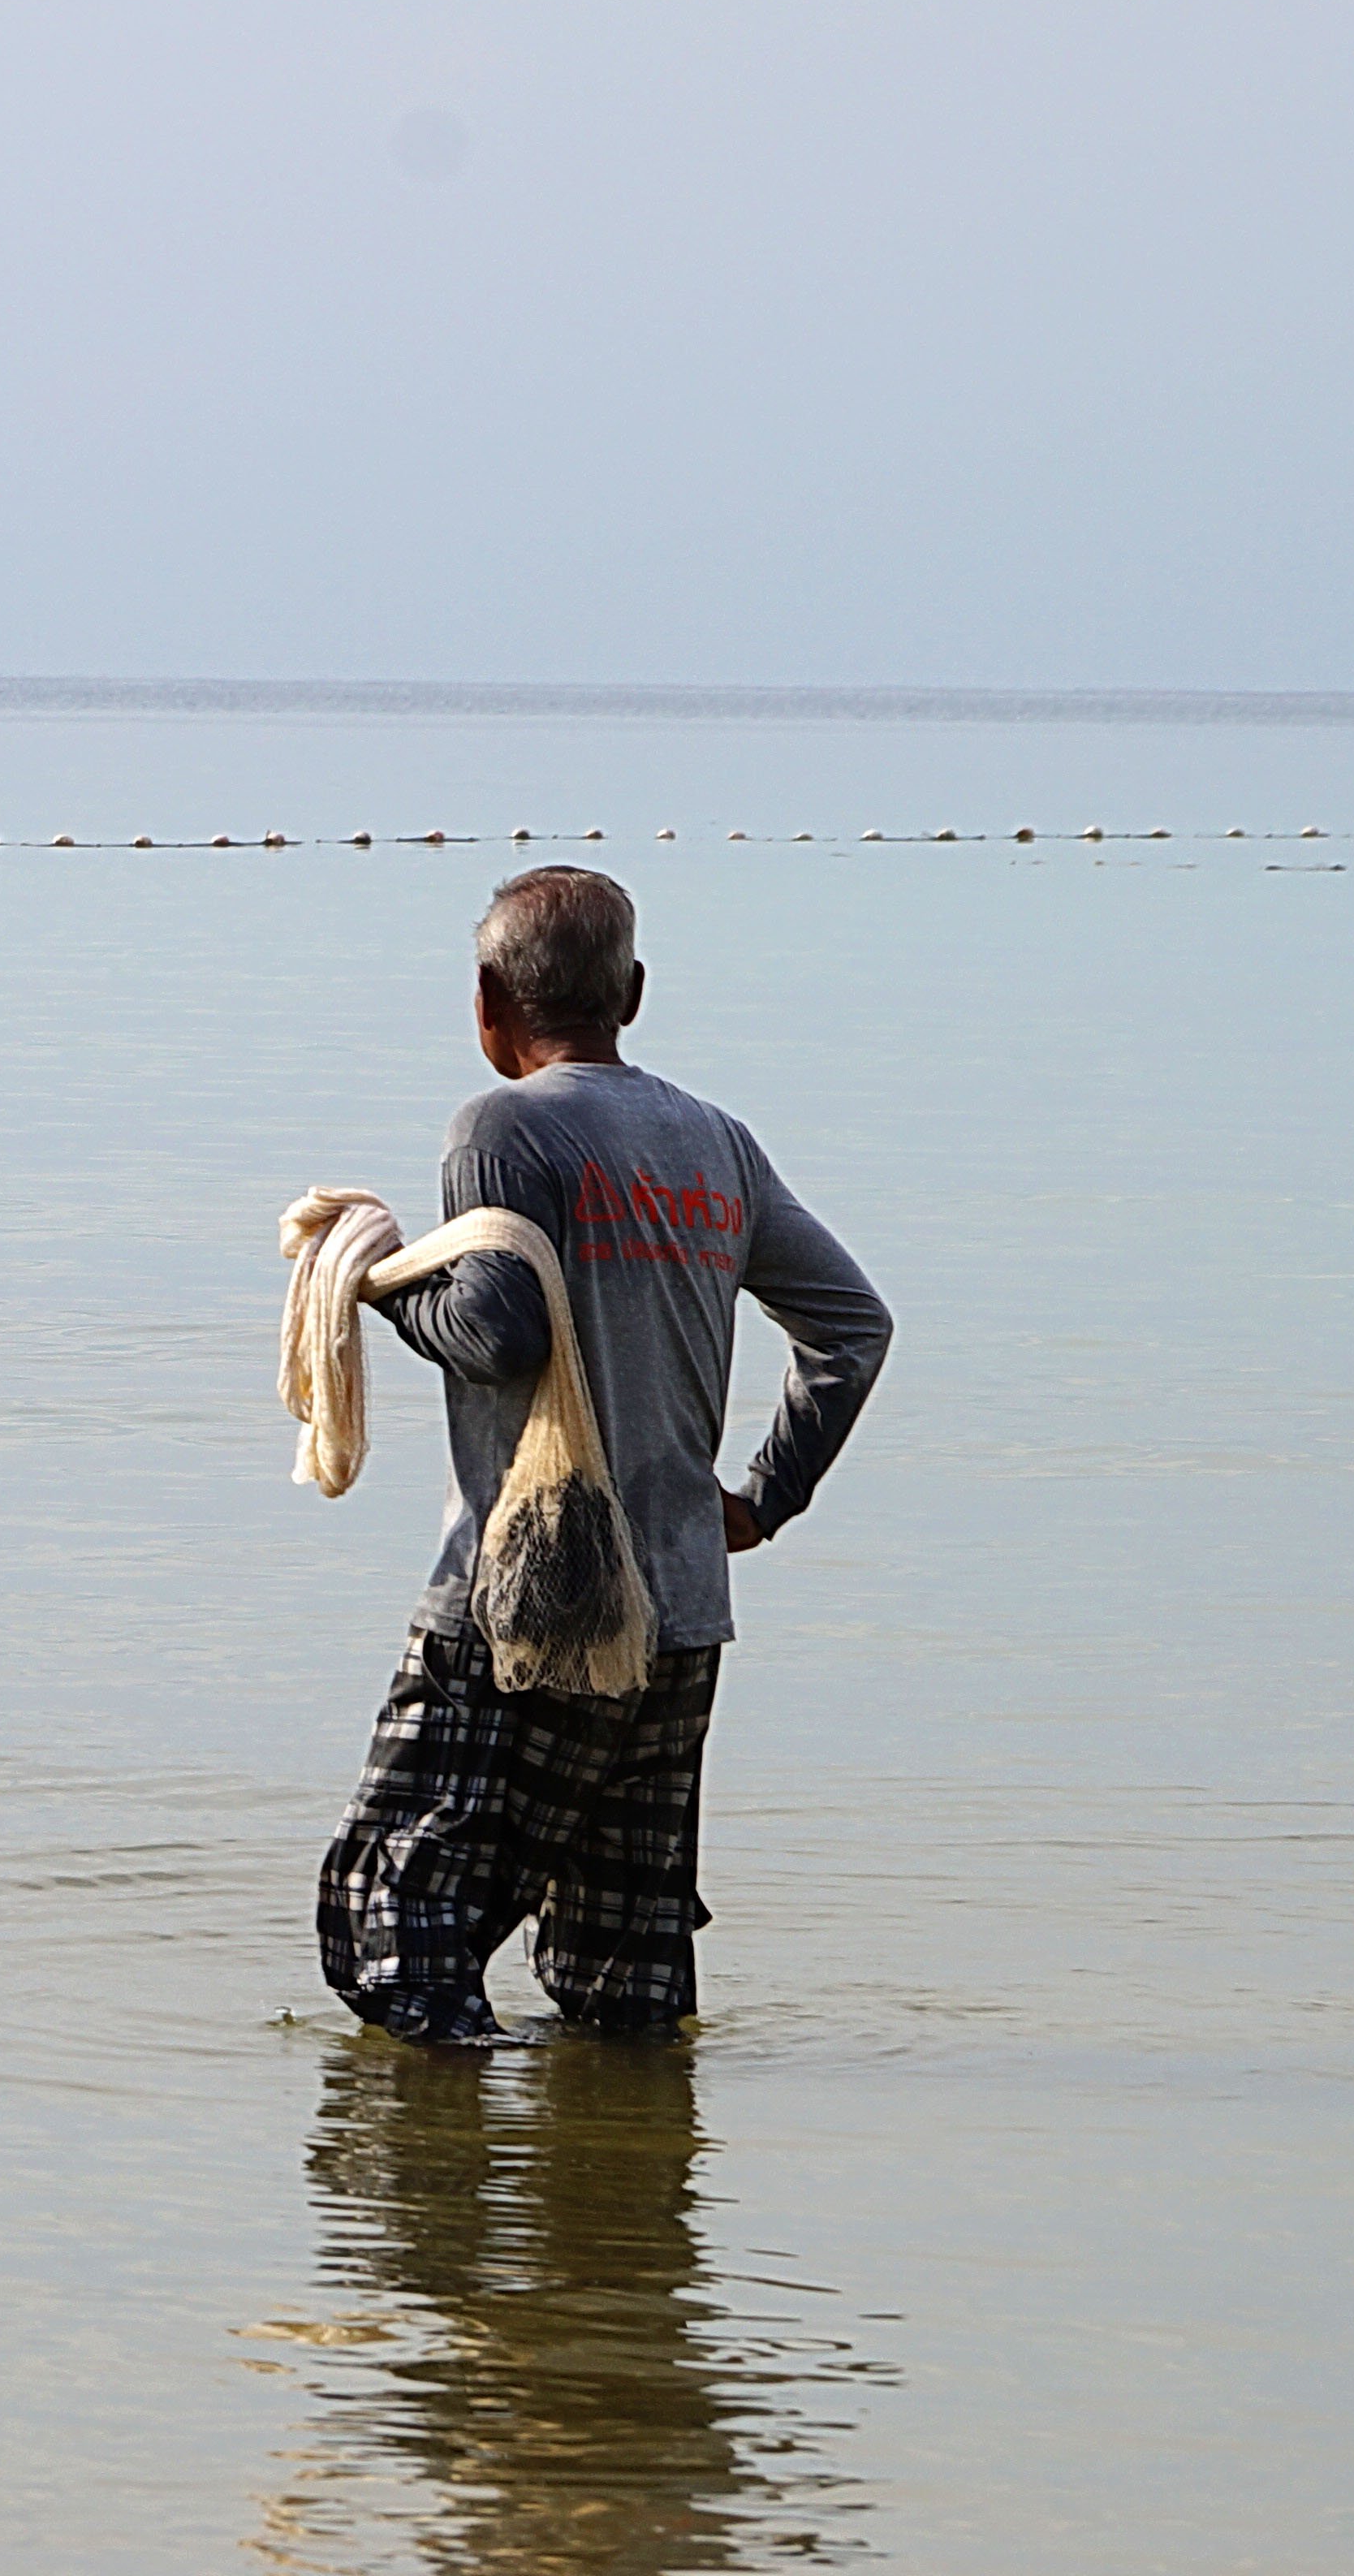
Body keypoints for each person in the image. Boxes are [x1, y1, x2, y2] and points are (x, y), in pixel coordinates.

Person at [318, 866, 892, 2045]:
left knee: (393, 1934)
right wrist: (763, 1500)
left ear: (486, 1002)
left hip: (527, 1614)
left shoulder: (502, 1128)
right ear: (631, 993)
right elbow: (850, 1326)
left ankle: (442, 2210)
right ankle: (620, 2221)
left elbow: (496, 1331)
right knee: (622, 1984)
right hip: (678, 1622)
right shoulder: (714, 1142)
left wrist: (373, 1284)